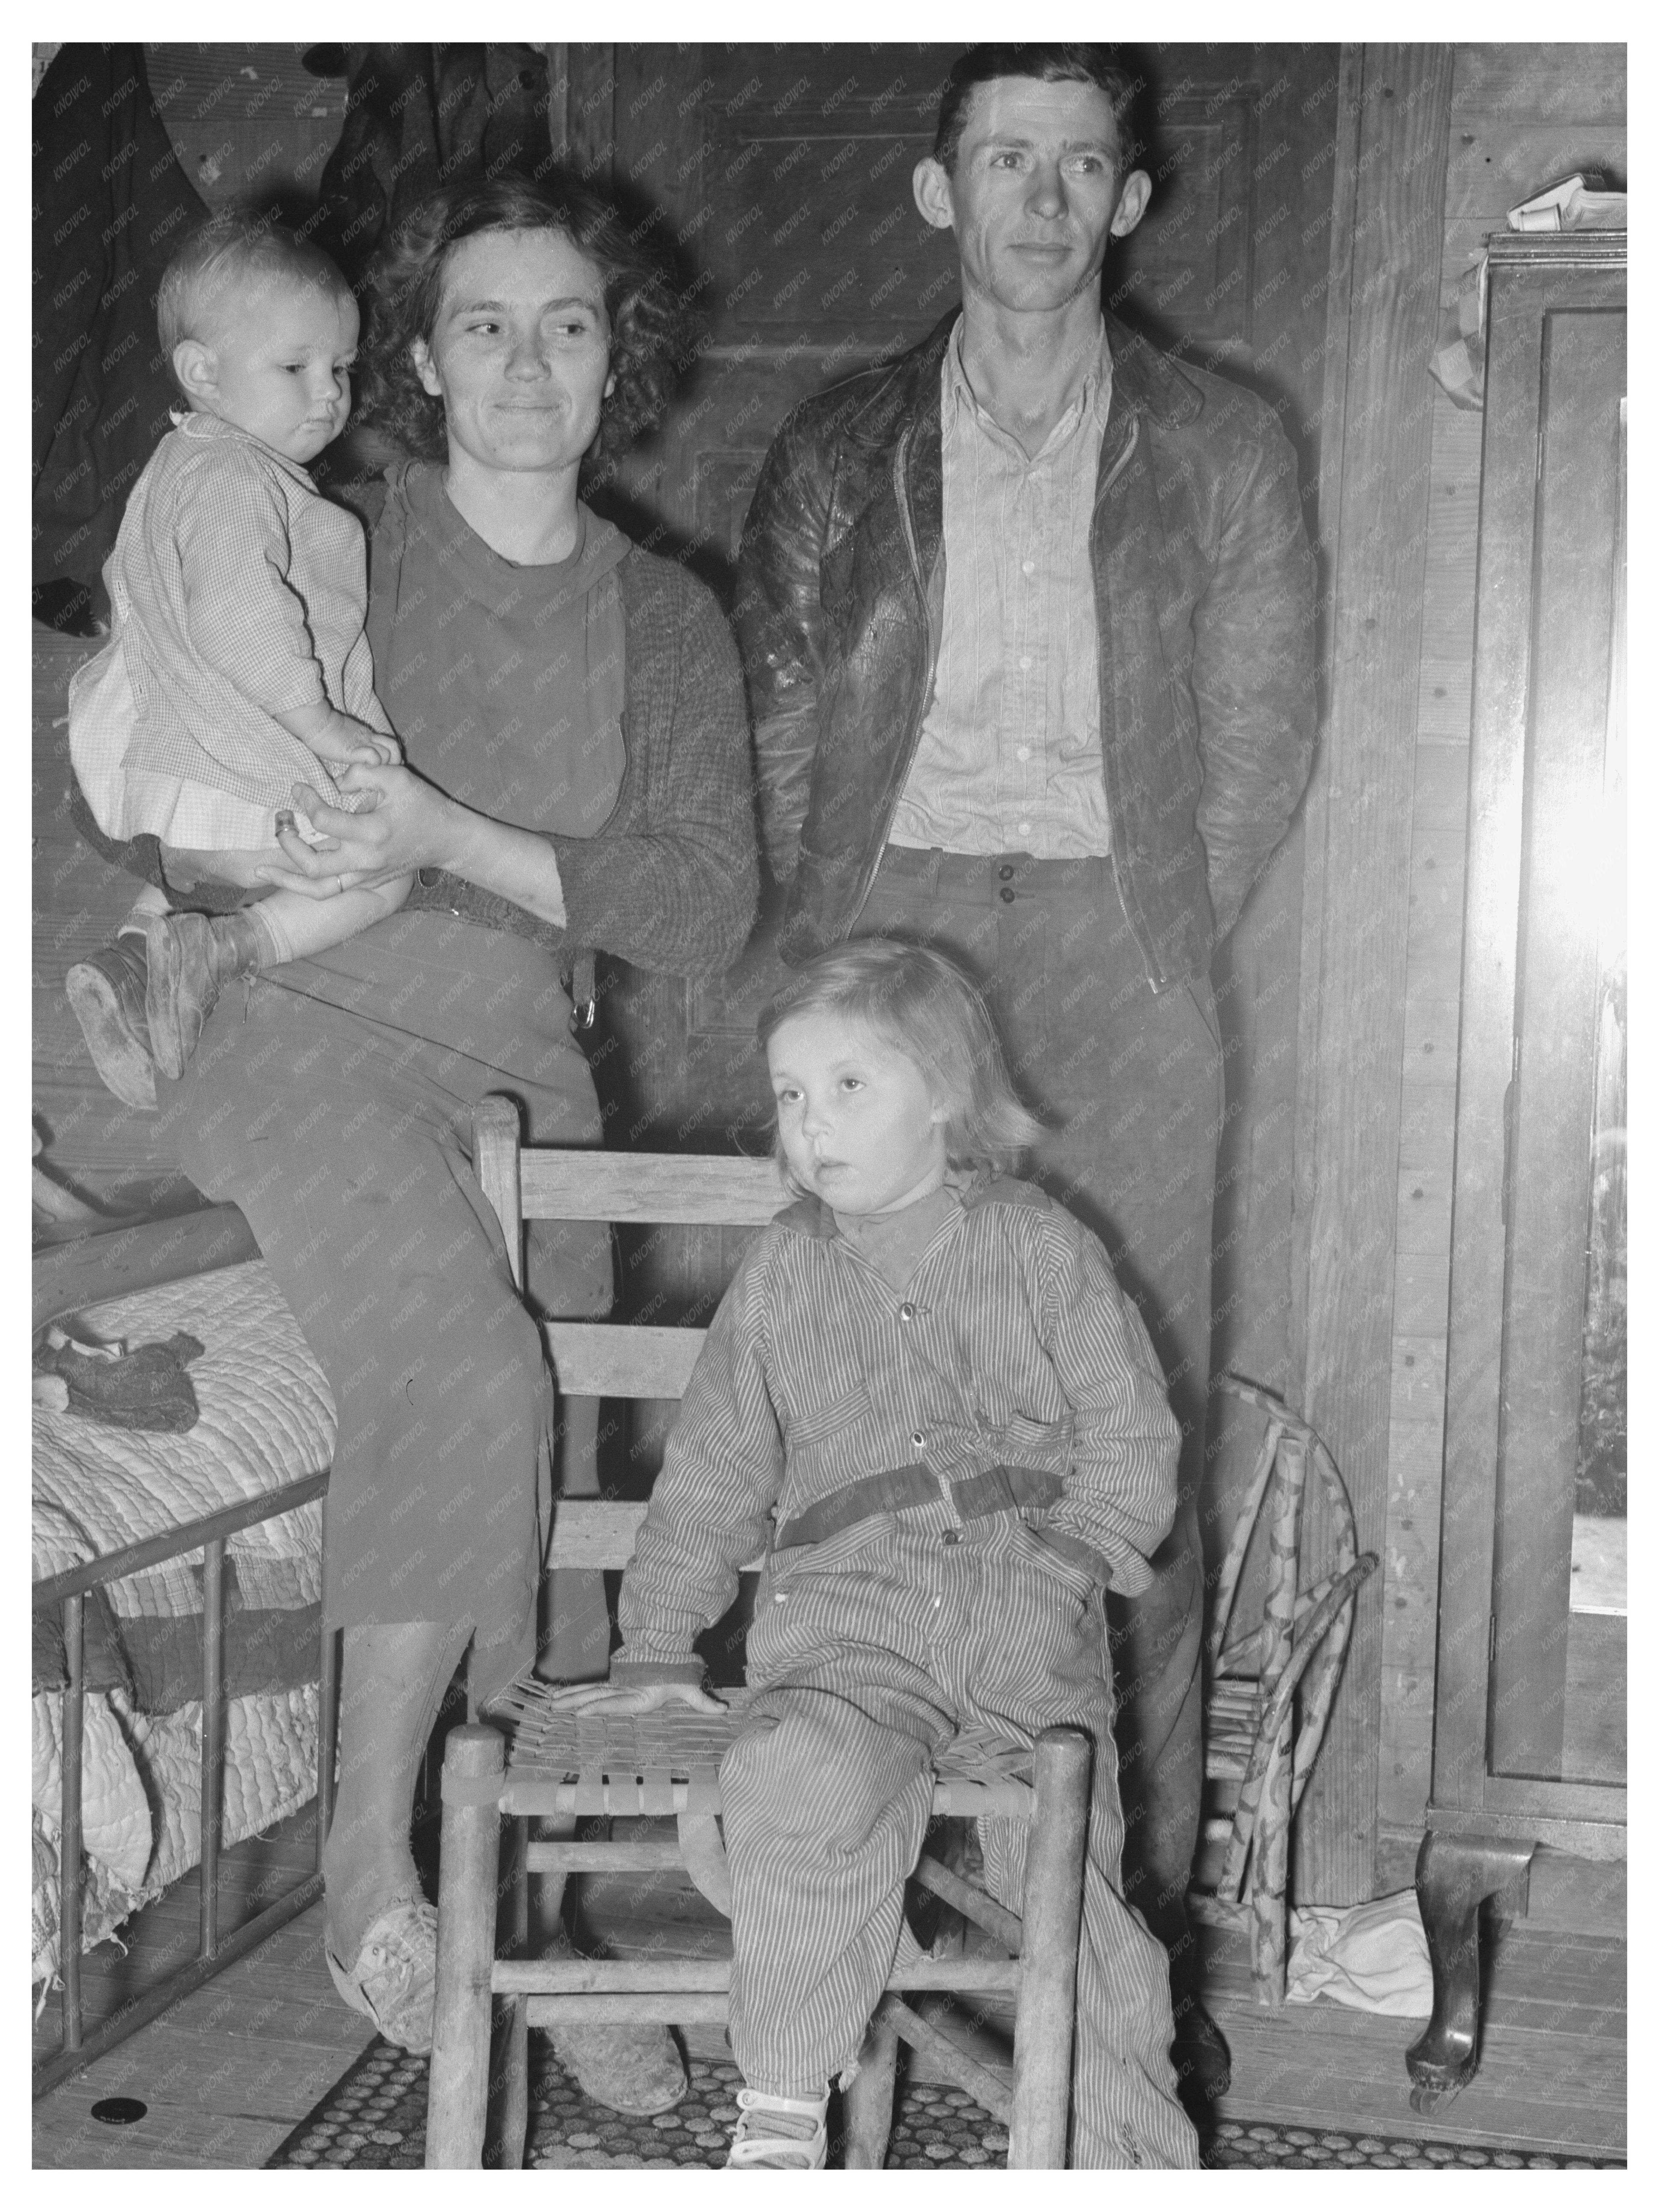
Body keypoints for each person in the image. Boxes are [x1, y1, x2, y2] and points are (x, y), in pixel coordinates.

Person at [75, 175, 758, 2100]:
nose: (526, 360)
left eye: (566, 324)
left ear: (618, 356)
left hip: (527, 1068)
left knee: (545, 1535)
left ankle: (521, 1928)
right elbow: (158, 757)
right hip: (297, 1022)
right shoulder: (316, 540)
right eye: (481, 323)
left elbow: (702, 907)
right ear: (420, 360)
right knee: (467, 1368)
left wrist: (451, 842)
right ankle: (373, 1875)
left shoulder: (669, 617)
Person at [735, 43, 1317, 2098]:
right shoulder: (839, 442)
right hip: (899, 930)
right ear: (938, 192)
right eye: (1007, 161)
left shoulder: (1222, 443)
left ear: (1127, 201)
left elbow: (1255, 746)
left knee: (1115, 1444)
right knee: (864, 1418)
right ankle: (850, 1906)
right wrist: (848, 952)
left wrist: (1142, 921)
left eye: (1082, 166)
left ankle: (1110, 1945)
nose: (1043, 201)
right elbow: (794, 713)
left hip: (1120, 945)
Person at [550, 940, 1200, 2169]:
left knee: (1088, 1920)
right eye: (790, 1095)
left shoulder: (1043, 1246)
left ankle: (1133, 2169)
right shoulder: (784, 1271)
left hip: (1024, 1628)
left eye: (848, 1087)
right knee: (799, 1773)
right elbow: (714, 1471)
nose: (809, 1125)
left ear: (946, 1092)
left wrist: (1072, 1557)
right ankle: (786, 2104)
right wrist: (655, 1640)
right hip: (844, 1628)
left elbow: (1131, 1429)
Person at [66, 213, 413, 1113]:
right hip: (240, 761)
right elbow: (242, 619)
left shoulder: (186, 465)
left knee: (197, 895)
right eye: (295, 368)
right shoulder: (232, 482)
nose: (329, 393)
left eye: (339, 368)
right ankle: (230, 948)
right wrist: (317, 724)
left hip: (181, 763)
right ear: (204, 373)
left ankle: (141, 963)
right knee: (384, 871)